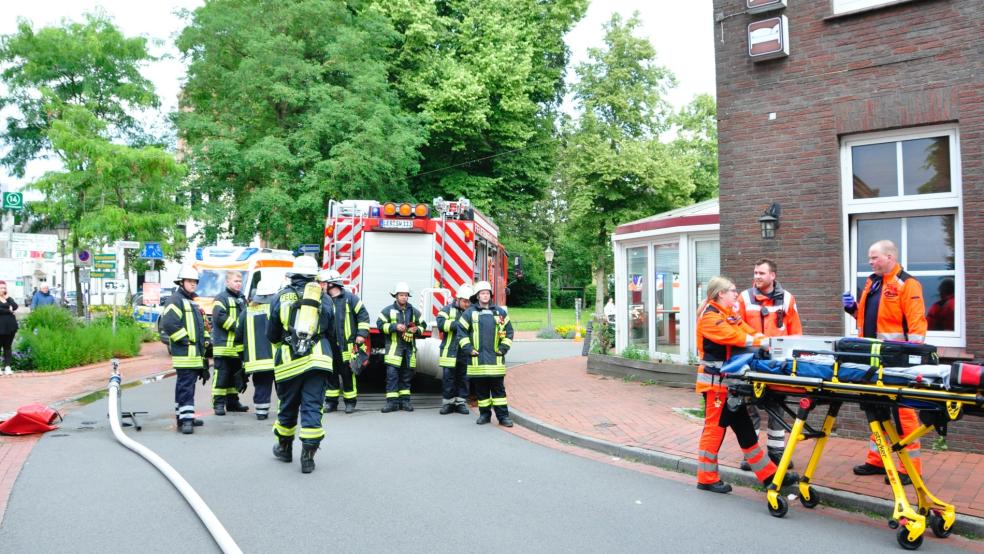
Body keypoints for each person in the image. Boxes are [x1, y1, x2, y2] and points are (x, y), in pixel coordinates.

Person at [695, 276, 797, 494]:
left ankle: (769, 475)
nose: (735, 294)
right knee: (715, 430)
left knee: (744, 429)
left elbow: (746, 330)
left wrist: (767, 340)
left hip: (728, 385)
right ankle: (706, 477)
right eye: (732, 290)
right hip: (715, 386)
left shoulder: (728, 314)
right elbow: (735, 337)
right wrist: (763, 342)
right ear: (720, 293)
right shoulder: (710, 317)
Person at [843, 239, 927, 485]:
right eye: (869, 258)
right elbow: (872, 319)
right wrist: (853, 310)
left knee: (903, 413)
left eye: (874, 257)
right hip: (872, 357)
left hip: (896, 360)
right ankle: (878, 460)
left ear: (890, 257)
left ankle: (909, 468)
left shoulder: (908, 285)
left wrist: (913, 360)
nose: (870, 262)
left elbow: (916, 326)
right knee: (876, 409)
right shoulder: (873, 282)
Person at [268, 255, 336, 474]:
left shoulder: (280, 297)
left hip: (289, 361)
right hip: (319, 359)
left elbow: (272, 334)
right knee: (313, 406)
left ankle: (284, 449)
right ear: (313, 275)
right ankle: (308, 457)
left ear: (293, 274)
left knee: (287, 406)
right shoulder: (325, 299)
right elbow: (332, 331)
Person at [737, 258, 802, 467]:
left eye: (761, 273)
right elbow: (737, 330)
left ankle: (776, 452)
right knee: (750, 409)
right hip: (752, 361)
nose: (756, 276)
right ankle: (752, 455)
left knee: (777, 407)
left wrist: (795, 359)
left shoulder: (787, 299)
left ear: (772, 276)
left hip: (777, 363)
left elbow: (795, 332)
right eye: (755, 272)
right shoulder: (744, 298)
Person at [456, 281, 515, 427]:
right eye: (482, 293)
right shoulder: (470, 313)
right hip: (478, 361)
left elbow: (509, 332)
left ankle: (503, 417)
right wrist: (469, 349)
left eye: (487, 293)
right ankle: (484, 415)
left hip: (496, 360)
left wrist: (503, 349)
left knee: (499, 392)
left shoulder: (500, 312)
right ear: (477, 295)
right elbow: (461, 333)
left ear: (490, 295)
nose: (485, 295)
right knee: (481, 392)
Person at [160, 266, 210, 435]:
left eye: (195, 281)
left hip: (194, 354)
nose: (193, 284)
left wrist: (206, 339)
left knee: (186, 386)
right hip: (185, 354)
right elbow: (168, 323)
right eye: (189, 281)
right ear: (181, 282)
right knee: (186, 387)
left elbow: (199, 324)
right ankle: (186, 420)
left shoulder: (191, 301)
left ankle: (183, 416)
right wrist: (185, 340)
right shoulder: (176, 300)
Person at [319, 269, 370, 414]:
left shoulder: (350, 298)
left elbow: (363, 316)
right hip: (328, 343)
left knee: (347, 373)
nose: (321, 285)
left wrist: (361, 334)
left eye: (323, 283)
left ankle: (350, 402)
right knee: (330, 373)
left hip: (346, 344)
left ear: (332, 284)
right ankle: (331, 402)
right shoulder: (323, 299)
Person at [376, 282, 426, 413]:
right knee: (392, 376)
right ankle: (392, 403)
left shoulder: (413, 311)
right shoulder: (387, 310)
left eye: (406, 295)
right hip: (394, 350)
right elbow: (380, 325)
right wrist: (394, 327)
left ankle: (405, 401)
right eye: (401, 295)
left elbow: (423, 325)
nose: (404, 297)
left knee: (406, 376)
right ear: (396, 296)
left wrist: (417, 330)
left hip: (408, 350)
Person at [236, 277, 280, 420]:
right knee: (283, 386)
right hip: (278, 358)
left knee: (261, 385)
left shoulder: (246, 312)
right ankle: (284, 411)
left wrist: (243, 356)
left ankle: (261, 411)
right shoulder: (277, 310)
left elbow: (238, 336)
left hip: (256, 361)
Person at [211, 271, 248, 415]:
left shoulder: (242, 298)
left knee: (234, 377)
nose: (238, 283)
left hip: (237, 348)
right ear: (227, 282)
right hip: (223, 347)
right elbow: (219, 316)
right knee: (221, 376)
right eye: (235, 281)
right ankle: (218, 403)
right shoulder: (221, 298)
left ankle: (232, 402)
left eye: (240, 281)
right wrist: (238, 327)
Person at [436, 284, 473, 415]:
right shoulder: (447, 309)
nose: (467, 304)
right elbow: (440, 324)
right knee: (448, 378)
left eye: (469, 301)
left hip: (465, 351)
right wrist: (459, 324)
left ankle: (460, 403)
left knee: (463, 378)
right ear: (458, 299)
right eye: (465, 301)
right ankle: (448, 404)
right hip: (449, 350)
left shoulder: (473, 311)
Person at [0, 281, 18, 375]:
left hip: (10, 327)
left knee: (7, 347)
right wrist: (9, 310)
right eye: (1, 288)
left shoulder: (7, 298)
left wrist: (8, 298)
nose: (3, 289)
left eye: (4, 288)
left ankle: (7, 367)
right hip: (0, 327)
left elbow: (15, 306)